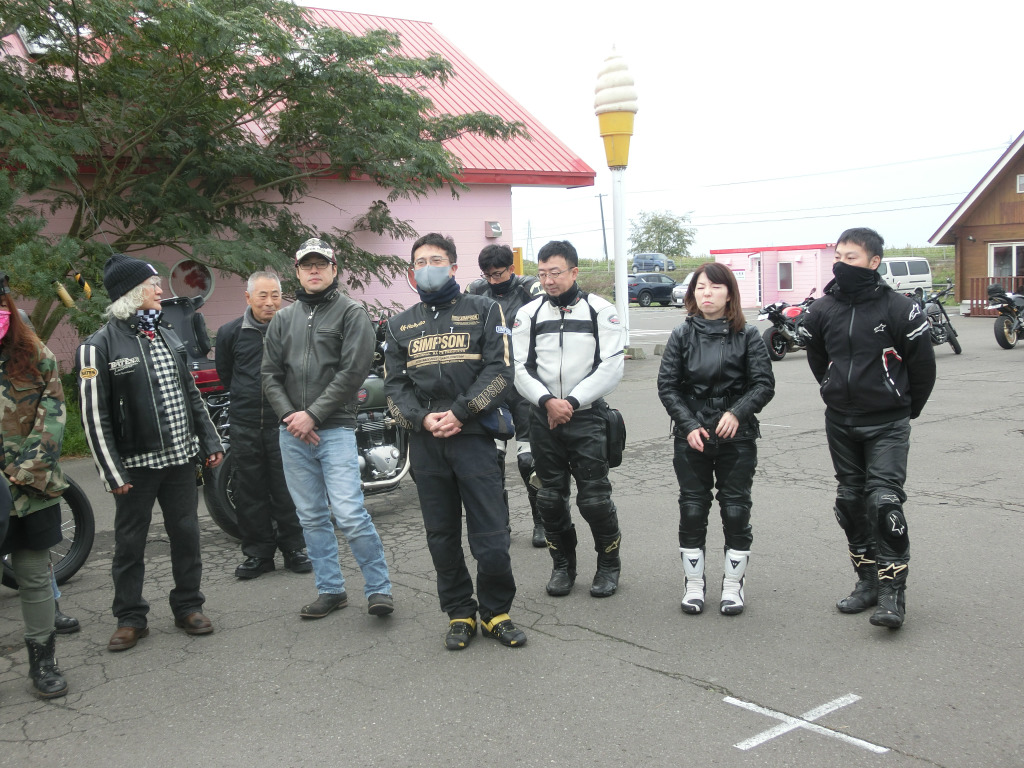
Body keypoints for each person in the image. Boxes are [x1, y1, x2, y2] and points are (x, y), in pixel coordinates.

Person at [384, 233, 525, 650]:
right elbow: (394, 389)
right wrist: (421, 419)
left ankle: (496, 613)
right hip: (427, 440)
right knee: (441, 536)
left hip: (474, 434)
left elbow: (501, 372)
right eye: (420, 262)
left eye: (436, 260)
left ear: (453, 267)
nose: (428, 268)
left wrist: (461, 412)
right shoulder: (398, 324)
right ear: (412, 271)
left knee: (492, 536)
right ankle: (459, 613)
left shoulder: (484, 309)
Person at [78, 254, 224, 652]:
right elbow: (94, 417)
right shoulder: (98, 346)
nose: (160, 290)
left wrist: (210, 441)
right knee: (130, 544)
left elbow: (190, 393)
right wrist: (111, 471)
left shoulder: (165, 333)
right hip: (135, 466)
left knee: (186, 534)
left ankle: (189, 607)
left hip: (180, 459)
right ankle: (130, 618)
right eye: (152, 284)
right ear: (130, 292)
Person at [799, 227, 936, 629]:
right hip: (840, 421)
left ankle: (893, 593)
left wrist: (904, 407)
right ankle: (868, 582)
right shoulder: (821, 310)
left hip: (888, 422)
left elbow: (923, 367)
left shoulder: (900, 309)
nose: (842, 264)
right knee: (850, 502)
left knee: (883, 502)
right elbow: (818, 359)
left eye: (852, 257)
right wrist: (835, 389)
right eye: (838, 257)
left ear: (874, 262)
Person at [262, 238, 394, 619]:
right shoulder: (283, 319)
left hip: (334, 429)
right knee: (311, 517)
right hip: (292, 432)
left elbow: (353, 372)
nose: (314, 270)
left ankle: (379, 588)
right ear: (297, 272)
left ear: (334, 269)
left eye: (321, 264)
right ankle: (331, 590)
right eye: (307, 265)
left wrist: (314, 415)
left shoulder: (352, 313)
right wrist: (292, 416)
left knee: (350, 513)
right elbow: (269, 374)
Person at [657, 262, 775, 616]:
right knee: (692, 509)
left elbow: (763, 384)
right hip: (691, 436)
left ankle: (733, 585)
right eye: (700, 287)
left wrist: (736, 413)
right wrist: (688, 424)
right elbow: (667, 386)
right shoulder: (681, 334)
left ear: (729, 293)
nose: (706, 293)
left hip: (736, 437)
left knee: (736, 511)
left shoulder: (748, 335)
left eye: (714, 287)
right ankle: (694, 584)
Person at [511, 240, 626, 598]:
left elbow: (612, 366)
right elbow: (517, 367)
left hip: (587, 417)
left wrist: (571, 402)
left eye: (555, 273)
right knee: (549, 499)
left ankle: (608, 565)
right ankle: (562, 567)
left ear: (574, 272)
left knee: (594, 501)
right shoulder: (528, 314)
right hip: (543, 418)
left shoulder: (600, 310)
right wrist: (547, 401)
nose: (548, 280)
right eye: (542, 273)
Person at [215, 271, 311, 579]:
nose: (270, 302)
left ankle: (294, 549)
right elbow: (226, 374)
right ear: (248, 298)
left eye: (275, 296)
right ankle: (258, 554)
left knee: (286, 489)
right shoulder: (230, 333)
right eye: (262, 296)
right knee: (249, 491)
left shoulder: (293, 330)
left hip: (284, 423)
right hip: (244, 424)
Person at [0, 274, 69, 697]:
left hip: (30, 488)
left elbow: (54, 411)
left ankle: (43, 662)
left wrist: (26, 470)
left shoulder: (32, 352)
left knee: (33, 576)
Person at [467, 244, 545, 547]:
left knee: (528, 461)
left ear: (511, 269)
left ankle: (542, 522)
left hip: (524, 385)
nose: (492, 280)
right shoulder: (477, 291)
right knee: (493, 460)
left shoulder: (529, 290)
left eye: (497, 274)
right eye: (487, 275)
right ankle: (500, 524)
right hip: (492, 386)